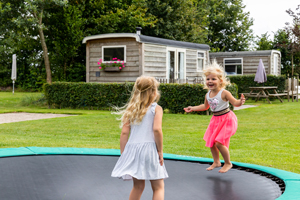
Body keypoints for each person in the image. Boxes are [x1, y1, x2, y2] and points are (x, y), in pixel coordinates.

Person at [111, 76, 168, 200]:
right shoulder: (156, 108)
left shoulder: (131, 110)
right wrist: (160, 151)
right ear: (154, 92)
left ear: (136, 92)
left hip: (133, 150)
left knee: (138, 187)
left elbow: (124, 133)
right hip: (150, 150)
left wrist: (124, 154)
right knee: (158, 186)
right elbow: (157, 130)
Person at [184, 60, 245, 173]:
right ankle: (216, 162)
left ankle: (227, 163)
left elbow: (235, 103)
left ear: (220, 81)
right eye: (208, 79)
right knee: (211, 142)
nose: (210, 81)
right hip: (216, 120)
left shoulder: (224, 93)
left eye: (213, 79)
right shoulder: (208, 94)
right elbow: (205, 106)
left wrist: (240, 102)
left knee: (219, 143)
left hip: (227, 119)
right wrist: (192, 108)